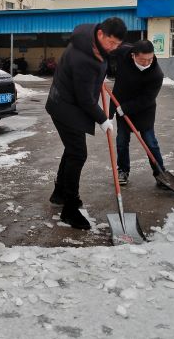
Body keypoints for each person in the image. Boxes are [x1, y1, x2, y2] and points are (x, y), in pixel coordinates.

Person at [45, 17, 127, 229]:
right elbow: (85, 100)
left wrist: (98, 78)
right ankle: (70, 209)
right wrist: (103, 119)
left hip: (67, 101)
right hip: (65, 107)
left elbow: (92, 76)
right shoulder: (84, 59)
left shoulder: (90, 38)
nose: (113, 48)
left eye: (117, 45)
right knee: (78, 154)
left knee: (72, 150)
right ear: (100, 34)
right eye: (111, 43)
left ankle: (59, 194)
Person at [110, 40, 166, 186]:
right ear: (133, 55)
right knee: (122, 141)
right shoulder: (123, 53)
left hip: (144, 111)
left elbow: (147, 99)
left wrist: (125, 108)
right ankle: (123, 170)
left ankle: (160, 173)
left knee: (150, 143)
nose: (147, 63)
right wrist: (100, 70)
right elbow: (107, 53)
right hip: (122, 107)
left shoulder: (156, 74)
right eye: (143, 60)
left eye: (150, 59)